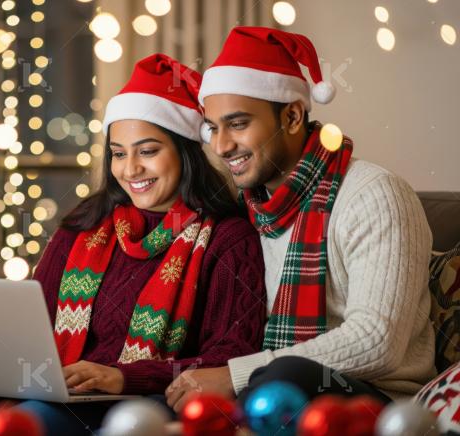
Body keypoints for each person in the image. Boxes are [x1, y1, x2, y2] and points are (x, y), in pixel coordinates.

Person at [0, 53, 267, 435]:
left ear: (185, 151)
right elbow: (34, 320)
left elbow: (232, 355)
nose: (130, 169)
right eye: (119, 153)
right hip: (54, 385)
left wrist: (123, 377)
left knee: (31, 420)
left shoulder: (227, 236)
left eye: (148, 151)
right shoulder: (87, 222)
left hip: (131, 400)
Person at [165, 27, 435, 413]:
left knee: (286, 377)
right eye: (213, 128)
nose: (222, 145)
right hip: (269, 389)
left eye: (238, 124)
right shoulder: (243, 211)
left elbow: (377, 341)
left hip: (379, 402)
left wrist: (235, 376)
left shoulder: (374, 193)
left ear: (292, 116)